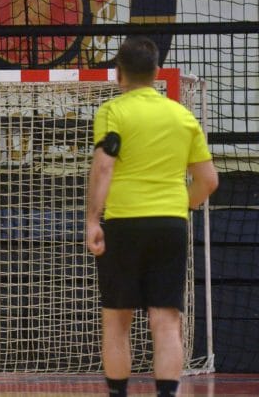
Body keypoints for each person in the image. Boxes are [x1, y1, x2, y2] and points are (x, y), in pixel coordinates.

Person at [86, 36, 218, 397]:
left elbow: (103, 167)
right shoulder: (182, 116)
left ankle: (118, 393)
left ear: (118, 74)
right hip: (170, 226)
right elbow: (208, 181)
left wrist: (93, 220)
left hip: (124, 225)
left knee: (117, 318)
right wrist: (179, 206)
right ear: (157, 72)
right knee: (166, 317)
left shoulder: (112, 112)